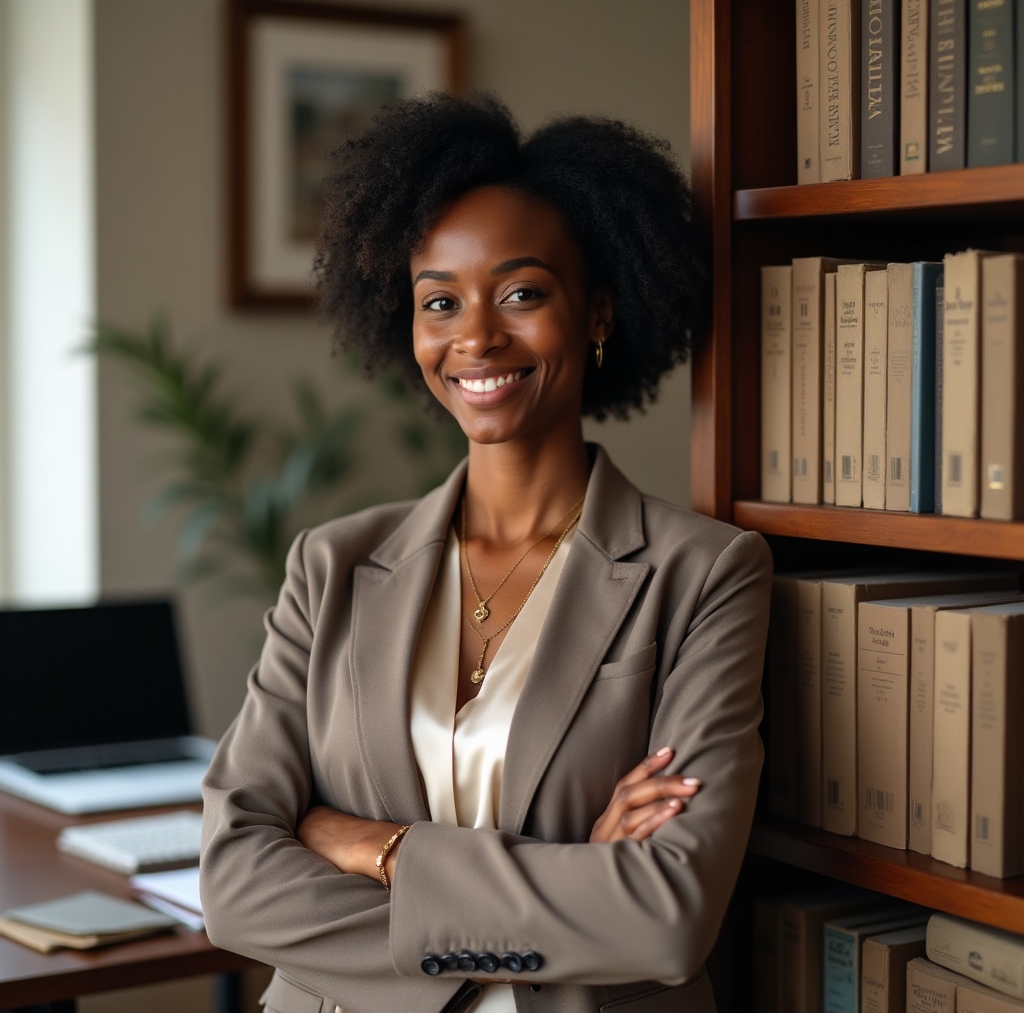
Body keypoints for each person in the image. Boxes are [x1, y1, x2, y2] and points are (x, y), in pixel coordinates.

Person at [200, 92, 772, 1013]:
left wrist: (378, 849)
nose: (476, 337)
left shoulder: (703, 573)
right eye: (440, 301)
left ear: (598, 312)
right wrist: (578, 880)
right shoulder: (331, 565)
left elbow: (668, 917)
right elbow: (233, 883)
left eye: (522, 292)